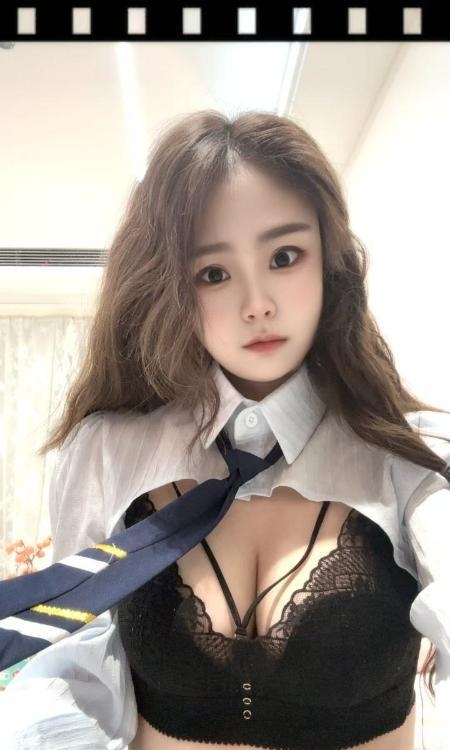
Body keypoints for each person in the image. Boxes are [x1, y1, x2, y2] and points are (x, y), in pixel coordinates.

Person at [1, 109, 449, 750]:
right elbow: (74, 662)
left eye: (285, 256)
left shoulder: (413, 460)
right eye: (213, 272)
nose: (256, 303)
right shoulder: (107, 451)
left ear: (330, 264)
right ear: (171, 288)